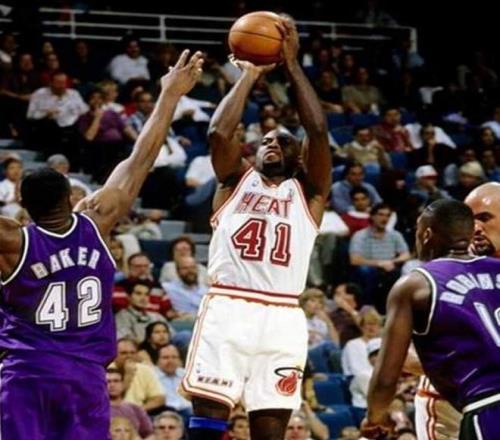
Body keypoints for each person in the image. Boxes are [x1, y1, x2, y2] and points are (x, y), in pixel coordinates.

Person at [0, 49, 204, 438]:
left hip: (28, 374)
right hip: (86, 377)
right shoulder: (97, 221)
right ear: (72, 197)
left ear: (21, 203)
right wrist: (169, 94)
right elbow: (142, 157)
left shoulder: (11, 240)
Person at [181, 17, 331, 440]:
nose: (271, 144)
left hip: (283, 315)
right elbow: (218, 131)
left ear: (298, 157)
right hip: (229, 305)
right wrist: (248, 74)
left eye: (282, 141)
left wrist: (292, 65)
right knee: (209, 420)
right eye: (264, 140)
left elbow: (318, 131)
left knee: (270, 428)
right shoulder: (235, 182)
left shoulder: (310, 194)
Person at [362, 199, 500, 439]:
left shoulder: (416, 285)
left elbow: (386, 376)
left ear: (426, 235)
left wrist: (374, 418)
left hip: (487, 406)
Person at [107, 368, 154, 438]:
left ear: (122, 384)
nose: (112, 385)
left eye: (116, 381)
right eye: (108, 382)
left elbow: (150, 434)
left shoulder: (136, 409)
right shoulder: (94, 410)